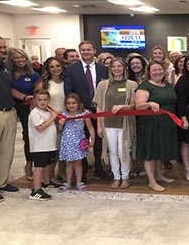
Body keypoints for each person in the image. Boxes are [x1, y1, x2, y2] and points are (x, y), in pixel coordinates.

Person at [64, 40, 109, 181]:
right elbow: (69, 90)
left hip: (100, 111)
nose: (86, 52)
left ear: (94, 51)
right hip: (80, 112)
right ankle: (81, 171)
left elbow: (108, 90)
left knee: (99, 140)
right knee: (81, 140)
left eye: (89, 49)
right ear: (80, 52)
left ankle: (99, 168)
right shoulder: (72, 69)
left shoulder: (103, 69)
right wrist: (81, 109)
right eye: (83, 50)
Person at [94, 57, 137, 189]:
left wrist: (123, 107)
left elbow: (135, 105)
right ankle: (116, 177)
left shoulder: (131, 85)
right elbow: (99, 107)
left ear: (124, 68)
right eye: (114, 66)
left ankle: (125, 177)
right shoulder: (102, 85)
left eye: (119, 66)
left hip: (125, 124)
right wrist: (99, 125)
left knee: (123, 150)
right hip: (108, 124)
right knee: (112, 151)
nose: (116, 69)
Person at [135, 60, 178, 192]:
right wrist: (149, 104)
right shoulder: (145, 86)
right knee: (150, 152)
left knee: (160, 150)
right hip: (151, 124)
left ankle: (159, 175)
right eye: (154, 70)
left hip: (167, 124)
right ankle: (151, 181)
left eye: (160, 69)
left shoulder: (168, 85)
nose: (157, 72)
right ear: (149, 72)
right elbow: (138, 106)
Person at [0, 35, 19, 203]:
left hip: (9, 112)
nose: (2, 51)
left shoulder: (7, 67)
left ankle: (2, 182)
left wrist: (25, 97)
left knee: (7, 151)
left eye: (3, 48)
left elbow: (10, 90)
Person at [8, 48, 40, 181]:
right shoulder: (7, 73)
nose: (21, 60)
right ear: (11, 60)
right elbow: (7, 89)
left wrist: (30, 99)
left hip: (28, 109)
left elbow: (38, 91)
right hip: (10, 107)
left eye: (22, 57)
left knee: (29, 136)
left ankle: (30, 164)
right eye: (17, 58)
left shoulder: (33, 75)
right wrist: (23, 96)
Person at [34, 57, 66, 184]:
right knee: (50, 150)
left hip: (64, 119)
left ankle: (60, 173)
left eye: (58, 66)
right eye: (52, 66)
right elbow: (36, 102)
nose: (55, 69)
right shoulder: (43, 83)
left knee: (60, 149)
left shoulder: (66, 81)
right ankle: (49, 177)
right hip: (49, 120)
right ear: (47, 68)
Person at [57, 93, 95, 192]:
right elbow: (60, 130)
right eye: (69, 103)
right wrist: (60, 124)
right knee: (68, 163)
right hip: (67, 142)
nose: (71, 105)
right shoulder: (63, 114)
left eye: (74, 103)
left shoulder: (83, 114)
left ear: (78, 104)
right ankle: (68, 182)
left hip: (78, 142)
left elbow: (90, 127)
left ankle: (79, 182)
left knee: (78, 163)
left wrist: (93, 139)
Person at [28, 89, 59, 200]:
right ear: (35, 101)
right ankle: (36, 190)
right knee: (39, 167)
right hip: (39, 145)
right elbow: (40, 128)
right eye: (39, 100)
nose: (42, 102)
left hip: (49, 144)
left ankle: (46, 182)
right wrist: (52, 118)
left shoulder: (47, 111)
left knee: (46, 165)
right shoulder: (35, 113)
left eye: (45, 99)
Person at [149, 45, 175, 169]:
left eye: (160, 53)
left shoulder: (170, 68)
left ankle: (165, 159)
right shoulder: (149, 67)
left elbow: (172, 84)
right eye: (155, 53)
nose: (158, 55)